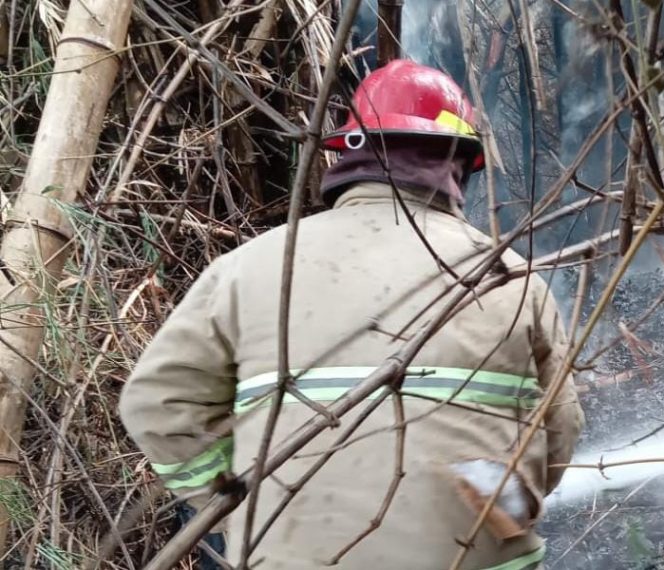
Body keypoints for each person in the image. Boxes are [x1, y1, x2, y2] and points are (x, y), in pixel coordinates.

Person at [119, 59, 585, 570]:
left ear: (348, 154)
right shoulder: (508, 276)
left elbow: (155, 403)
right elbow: (561, 428)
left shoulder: (245, 267)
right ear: (458, 164)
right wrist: (498, 503)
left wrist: (231, 505)